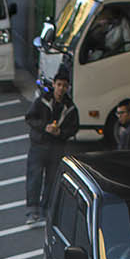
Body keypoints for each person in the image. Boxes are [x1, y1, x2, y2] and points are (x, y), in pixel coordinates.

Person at [24, 73, 80, 224]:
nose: (61, 89)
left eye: (64, 86)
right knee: (34, 177)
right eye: (59, 85)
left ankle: (45, 209)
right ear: (54, 84)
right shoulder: (42, 101)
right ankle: (32, 210)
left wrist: (61, 133)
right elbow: (30, 118)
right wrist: (44, 127)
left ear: (68, 88)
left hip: (57, 147)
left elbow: (74, 128)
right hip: (39, 145)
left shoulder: (71, 107)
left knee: (51, 180)